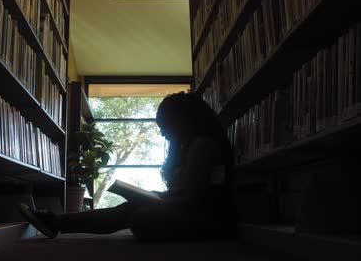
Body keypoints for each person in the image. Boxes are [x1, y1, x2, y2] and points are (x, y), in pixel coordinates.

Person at [18, 91, 236, 241]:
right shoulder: (193, 145)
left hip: (207, 220)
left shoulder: (202, 146)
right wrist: (155, 197)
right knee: (131, 211)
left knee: (139, 218)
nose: (162, 132)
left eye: (165, 125)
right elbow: (186, 195)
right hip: (194, 212)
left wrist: (156, 199)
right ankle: (57, 222)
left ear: (182, 120)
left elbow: (192, 201)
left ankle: (56, 222)